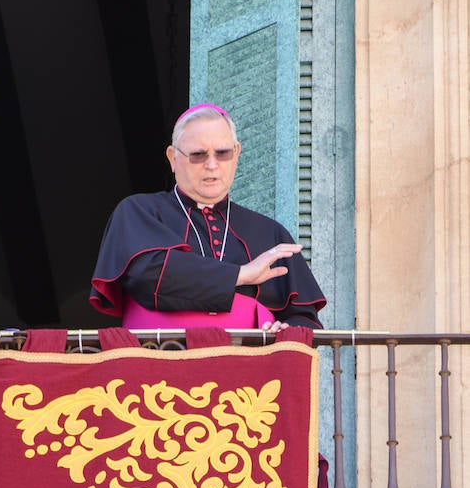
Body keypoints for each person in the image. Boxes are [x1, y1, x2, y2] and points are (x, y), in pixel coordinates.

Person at [90, 104, 325, 333]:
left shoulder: (270, 233)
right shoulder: (139, 212)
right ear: (173, 158)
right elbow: (149, 275)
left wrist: (286, 329)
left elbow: (304, 318)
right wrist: (242, 275)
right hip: (159, 364)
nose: (212, 165)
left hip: (248, 369)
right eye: (198, 155)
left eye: (222, 153)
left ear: (236, 154)